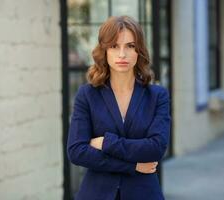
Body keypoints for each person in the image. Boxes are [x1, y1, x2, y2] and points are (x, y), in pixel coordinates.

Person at [67, 15, 171, 200]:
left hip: (144, 193)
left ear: (139, 51)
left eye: (130, 46)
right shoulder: (87, 95)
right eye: (114, 46)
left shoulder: (157, 96)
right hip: (96, 193)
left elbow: (156, 148)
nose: (122, 54)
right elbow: (77, 151)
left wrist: (106, 143)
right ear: (104, 51)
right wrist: (133, 166)